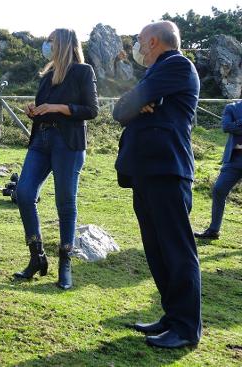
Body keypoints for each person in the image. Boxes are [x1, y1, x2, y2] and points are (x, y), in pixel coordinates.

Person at [113, 21, 201, 349]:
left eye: (139, 41)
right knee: (157, 249)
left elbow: (128, 106)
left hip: (168, 169)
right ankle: (171, 317)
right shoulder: (156, 73)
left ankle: (187, 328)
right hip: (147, 170)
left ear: (152, 42)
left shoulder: (176, 64)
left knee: (177, 250)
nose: (137, 47)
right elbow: (122, 108)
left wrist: (138, 104)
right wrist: (137, 104)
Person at [12, 28, 98, 290]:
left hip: (68, 144)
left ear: (63, 44)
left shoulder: (83, 71)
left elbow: (91, 110)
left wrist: (57, 108)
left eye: (51, 41)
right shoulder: (47, 75)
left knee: (65, 203)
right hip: (41, 140)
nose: (46, 45)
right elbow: (43, 110)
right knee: (24, 193)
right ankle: (37, 256)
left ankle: (65, 263)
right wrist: (35, 111)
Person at [194, 100, 242, 240]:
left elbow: (232, 126)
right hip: (234, 159)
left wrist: (237, 123)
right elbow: (226, 127)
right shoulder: (232, 107)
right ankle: (214, 230)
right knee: (219, 189)